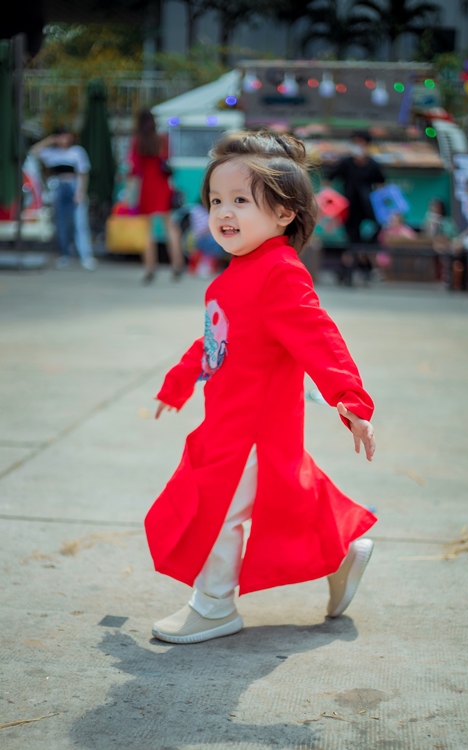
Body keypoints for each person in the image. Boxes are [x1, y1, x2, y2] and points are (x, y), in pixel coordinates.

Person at [145, 131, 377, 644]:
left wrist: (350, 399)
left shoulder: (279, 273)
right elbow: (215, 340)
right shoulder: (231, 276)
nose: (223, 212)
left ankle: (213, 605)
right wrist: (178, 382)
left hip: (253, 429)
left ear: (284, 213)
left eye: (240, 201)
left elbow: (319, 337)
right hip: (229, 421)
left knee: (215, 509)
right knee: (285, 499)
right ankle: (342, 551)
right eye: (215, 201)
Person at [128, 109, 184, 283]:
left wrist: (129, 195)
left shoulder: (137, 141)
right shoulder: (162, 139)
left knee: (147, 229)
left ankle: (150, 267)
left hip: (147, 187)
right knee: (170, 226)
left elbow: (134, 169)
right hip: (162, 185)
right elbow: (167, 162)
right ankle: (177, 264)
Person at [324, 130, 385, 285]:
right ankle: (350, 273)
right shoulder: (346, 163)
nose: (357, 145)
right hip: (349, 209)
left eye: (360, 142)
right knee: (352, 240)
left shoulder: (373, 165)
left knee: (368, 236)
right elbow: (329, 179)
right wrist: (332, 199)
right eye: (355, 142)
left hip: (368, 209)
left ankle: (358, 264)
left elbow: (381, 183)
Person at [30, 127, 97, 270]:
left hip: (73, 185)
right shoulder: (51, 153)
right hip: (57, 186)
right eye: (60, 136)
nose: (63, 139)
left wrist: (80, 192)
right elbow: (33, 152)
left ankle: (85, 255)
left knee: (79, 222)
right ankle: (64, 254)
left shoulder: (77, 151)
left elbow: (83, 173)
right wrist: (49, 141)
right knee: (60, 222)